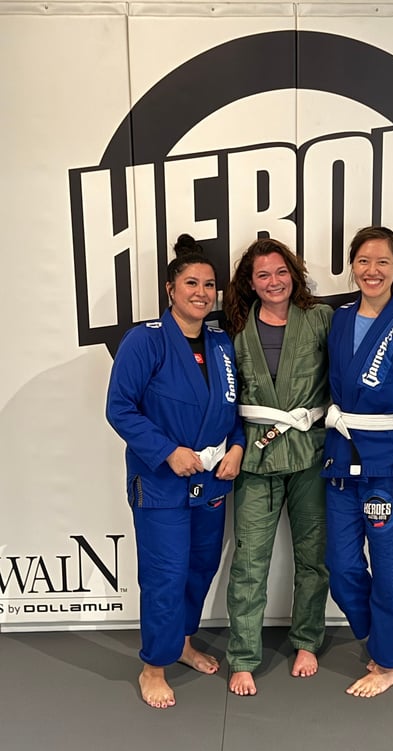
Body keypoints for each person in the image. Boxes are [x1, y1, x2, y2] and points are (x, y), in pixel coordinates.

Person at [106, 234, 245, 709]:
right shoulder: (144, 340)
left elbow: (234, 408)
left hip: (211, 479)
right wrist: (166, 451)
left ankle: (182, 641)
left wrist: (237, 447)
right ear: (170, 289)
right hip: (162, 481)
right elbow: (120, 408)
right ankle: (154, 666)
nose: (202, 293)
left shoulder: (221, 343)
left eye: (209, 285)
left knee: (201, 565)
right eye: (191, 283)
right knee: (165, 573)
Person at [322, 225, 393, 698]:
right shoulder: (339, 320)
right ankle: (377, 635)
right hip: (340, 461)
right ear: (353, 266)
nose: (372, 270)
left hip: (389, 469)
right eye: (363, 261)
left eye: (382, 262)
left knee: (389, 569)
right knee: (341, 565)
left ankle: (388, 662)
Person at [223, 237, 332, 696]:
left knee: (313, 556)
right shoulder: (233, 330)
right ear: (250, 283)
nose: (274, 282)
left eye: (281, 272)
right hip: (256, 455)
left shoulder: (321, 319)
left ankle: (307, 641)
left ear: (294, 274)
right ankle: (243, 657)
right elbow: (224, 397)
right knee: (249, 560)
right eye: (263, 275)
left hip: (310, 452)